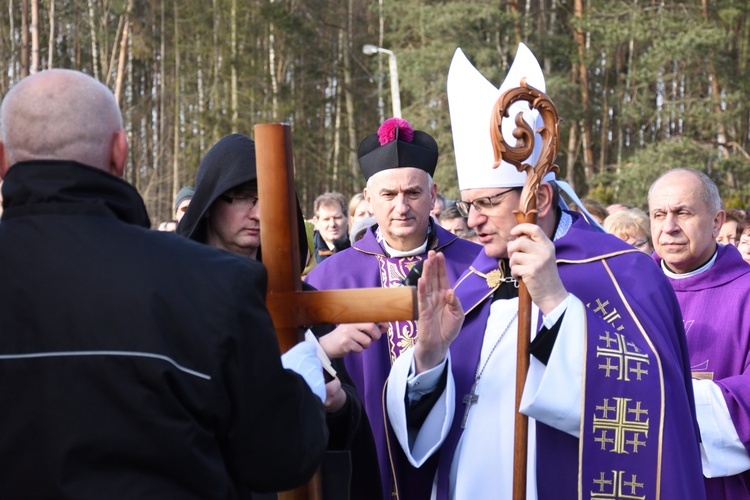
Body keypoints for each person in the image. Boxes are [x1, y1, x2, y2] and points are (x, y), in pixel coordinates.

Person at [384, 44, 705, 499]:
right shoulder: (470, 283)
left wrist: (555, 300)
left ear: (539, 199)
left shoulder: (624, 273)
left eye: (489, 203)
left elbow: (647, 399)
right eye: (467, 204)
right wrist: (430, 356)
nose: (472, 219)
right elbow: (423, 427)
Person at [0, 69, 327, 497]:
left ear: (2, 159)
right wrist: (301, 380)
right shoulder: (213, 283)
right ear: (120, 153)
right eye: (243, 198)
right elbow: (278, 458)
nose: (258, 213)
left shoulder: (218, 279)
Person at [177, 133, 381, 500]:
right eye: (242, 197)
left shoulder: (304, 302)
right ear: (208, 202)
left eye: (268, 199)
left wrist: (336, 405)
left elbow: (347, 415)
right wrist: (318, 352)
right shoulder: (175, 291)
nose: (258, 212)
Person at [305, 117, 482, 499]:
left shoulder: (479, 267)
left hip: (459, 444)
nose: (401, 206)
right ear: (368, 200)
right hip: (367, 446)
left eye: (413, 193)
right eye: (388, 195)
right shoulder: (329, 279)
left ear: (434, 195)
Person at [649, 168, 750, 498]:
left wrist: (658, 399)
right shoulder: (625, 291)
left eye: (683, 213)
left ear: (718, 221)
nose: (669, 227)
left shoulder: (746, 291)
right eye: (659, 214)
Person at [312, 191, 351, 263]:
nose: (332, 224)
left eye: (337, 218)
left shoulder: (359, 248)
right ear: (316, 222)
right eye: (326, 219)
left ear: (347, 218)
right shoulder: (308, 254)